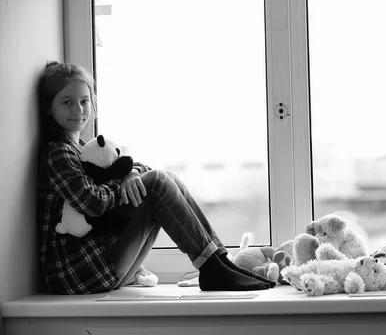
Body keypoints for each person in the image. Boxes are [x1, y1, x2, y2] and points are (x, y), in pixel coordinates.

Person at [37, 61, 274, 295]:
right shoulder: (58, 152)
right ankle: (214, 267)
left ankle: (220, 262)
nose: (78, 109)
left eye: (84, 101)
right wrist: (122, 180)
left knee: (164, 178)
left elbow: (134, 169)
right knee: (158, 181)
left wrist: (129, 173)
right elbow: (93, 203)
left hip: (98, 268)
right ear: (49, 107)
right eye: (67, 102)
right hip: (77, 273)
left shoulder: (81, 148)